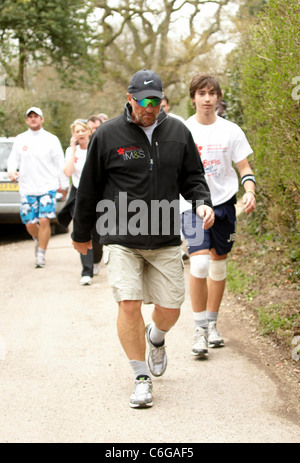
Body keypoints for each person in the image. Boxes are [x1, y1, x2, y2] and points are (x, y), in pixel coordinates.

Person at [71, 69, 214, 408]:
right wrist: (81, 233)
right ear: (129, 98)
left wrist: (202, 204)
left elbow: (193, 178)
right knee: (129, 303)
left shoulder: (178, 131)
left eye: (157, 101)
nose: (150, 108)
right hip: (121, 235)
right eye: (144, 101)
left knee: (169, 309)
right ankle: (140, 377)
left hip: (164, 236)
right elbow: (88, 188)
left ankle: (157, 337)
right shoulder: (107, 135)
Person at [181, 74, 256, 359]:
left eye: (212, 93)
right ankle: (199, 329)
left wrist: (249, 190)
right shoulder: (183, 130)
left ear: (218, 97)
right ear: (194, 98)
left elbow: (244, 167)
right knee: (199, 264)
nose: (208, 98)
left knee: (218, 265)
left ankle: (212, 324)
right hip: (191, 205)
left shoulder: (231, 131)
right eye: (202, 93)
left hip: (224, 203)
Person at [7, 107, 69, 268]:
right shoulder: (20, 139)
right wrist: (12, 170)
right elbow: (13, 159)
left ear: (42, 119)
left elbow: (59, 163)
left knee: (44, 220)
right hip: (28, 188)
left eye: (36, 116)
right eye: (30, 117)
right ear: (27, 120)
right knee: (29, 223)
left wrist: (64, 185)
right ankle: (39, 240)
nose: (33, 119)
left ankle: (41, 255)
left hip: (48, 186)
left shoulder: (51, 139)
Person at [57, 119, 103, 285]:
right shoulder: (71, 151)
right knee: (82, 229)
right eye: (77, 132)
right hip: (78, 193)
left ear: (88, 132)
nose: (80, 134)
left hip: (97, 193)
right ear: (74, 135)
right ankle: (87, 271)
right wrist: (73, 151)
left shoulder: (96, 147)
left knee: (98, 234)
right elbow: (68, 172)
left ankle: (96, 259)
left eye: (83, 130)